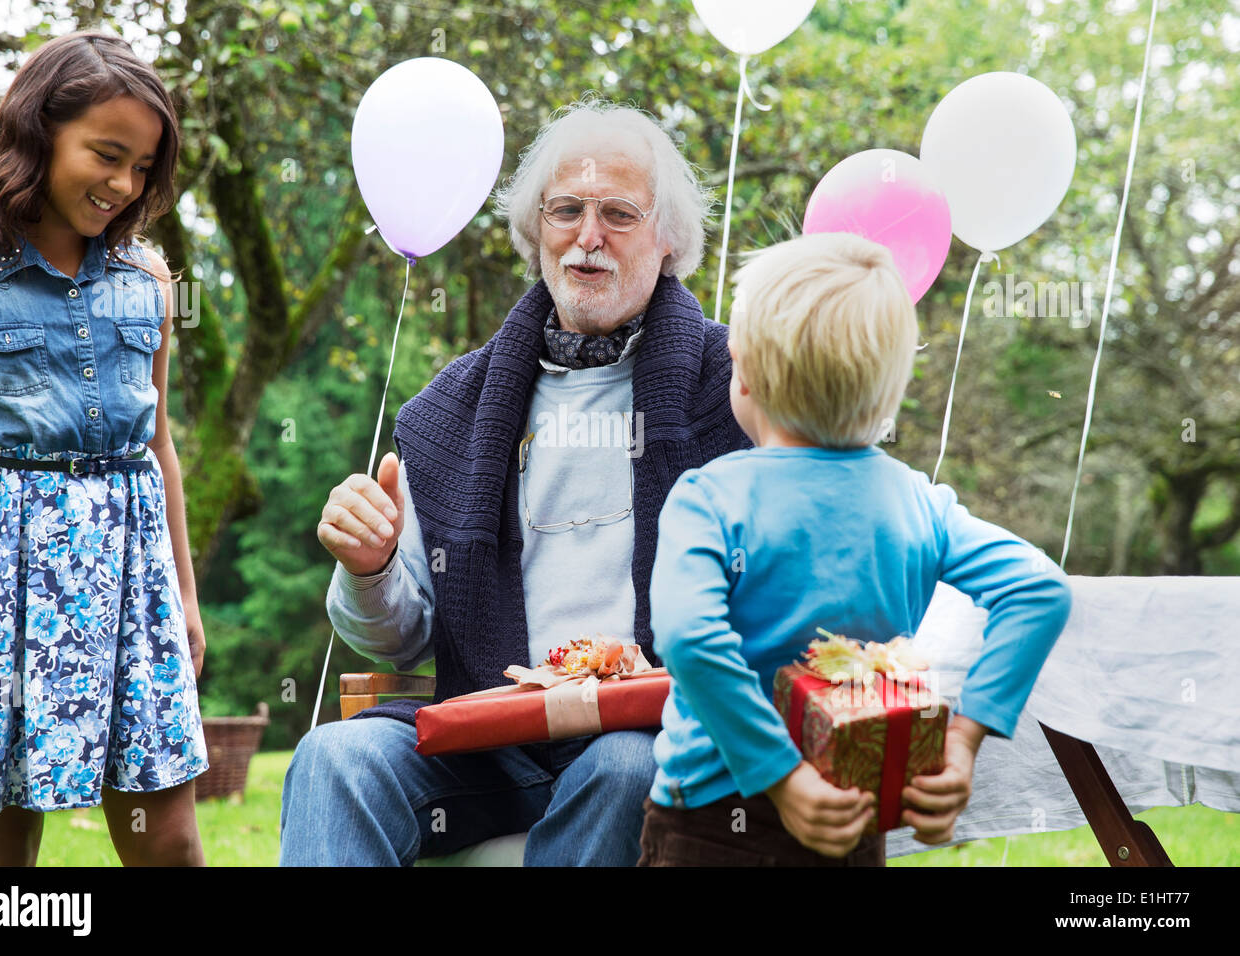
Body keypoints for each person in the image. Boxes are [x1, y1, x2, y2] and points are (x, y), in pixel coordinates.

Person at [280, 98, 751, 866]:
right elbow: (398, 639)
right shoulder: (450, 412)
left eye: (619, 214)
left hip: (654, 733)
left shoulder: (734, 385)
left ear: (667, 239)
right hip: (488, 742)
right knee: (335, 760)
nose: (587, 237)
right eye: (566, 210)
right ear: (537, 232)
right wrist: (366, 570)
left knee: (627, 766)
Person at [637, 233, 1073, 866]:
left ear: (747, 374)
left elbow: (688, 639)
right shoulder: (919, 502)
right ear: (889, 387)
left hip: (710, 821)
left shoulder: (708, 498)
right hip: (856, 804)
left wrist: (783, 778)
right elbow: (1040, 589)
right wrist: (963, 739)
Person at [0, 31, 208, 865]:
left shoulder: (151, 281)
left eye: (142, 167)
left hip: (131, 575)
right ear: (38, 133)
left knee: (166, 833)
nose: (123, 184)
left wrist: (187, 600)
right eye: (107, 154)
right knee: (0, 835)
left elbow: (159, 447)